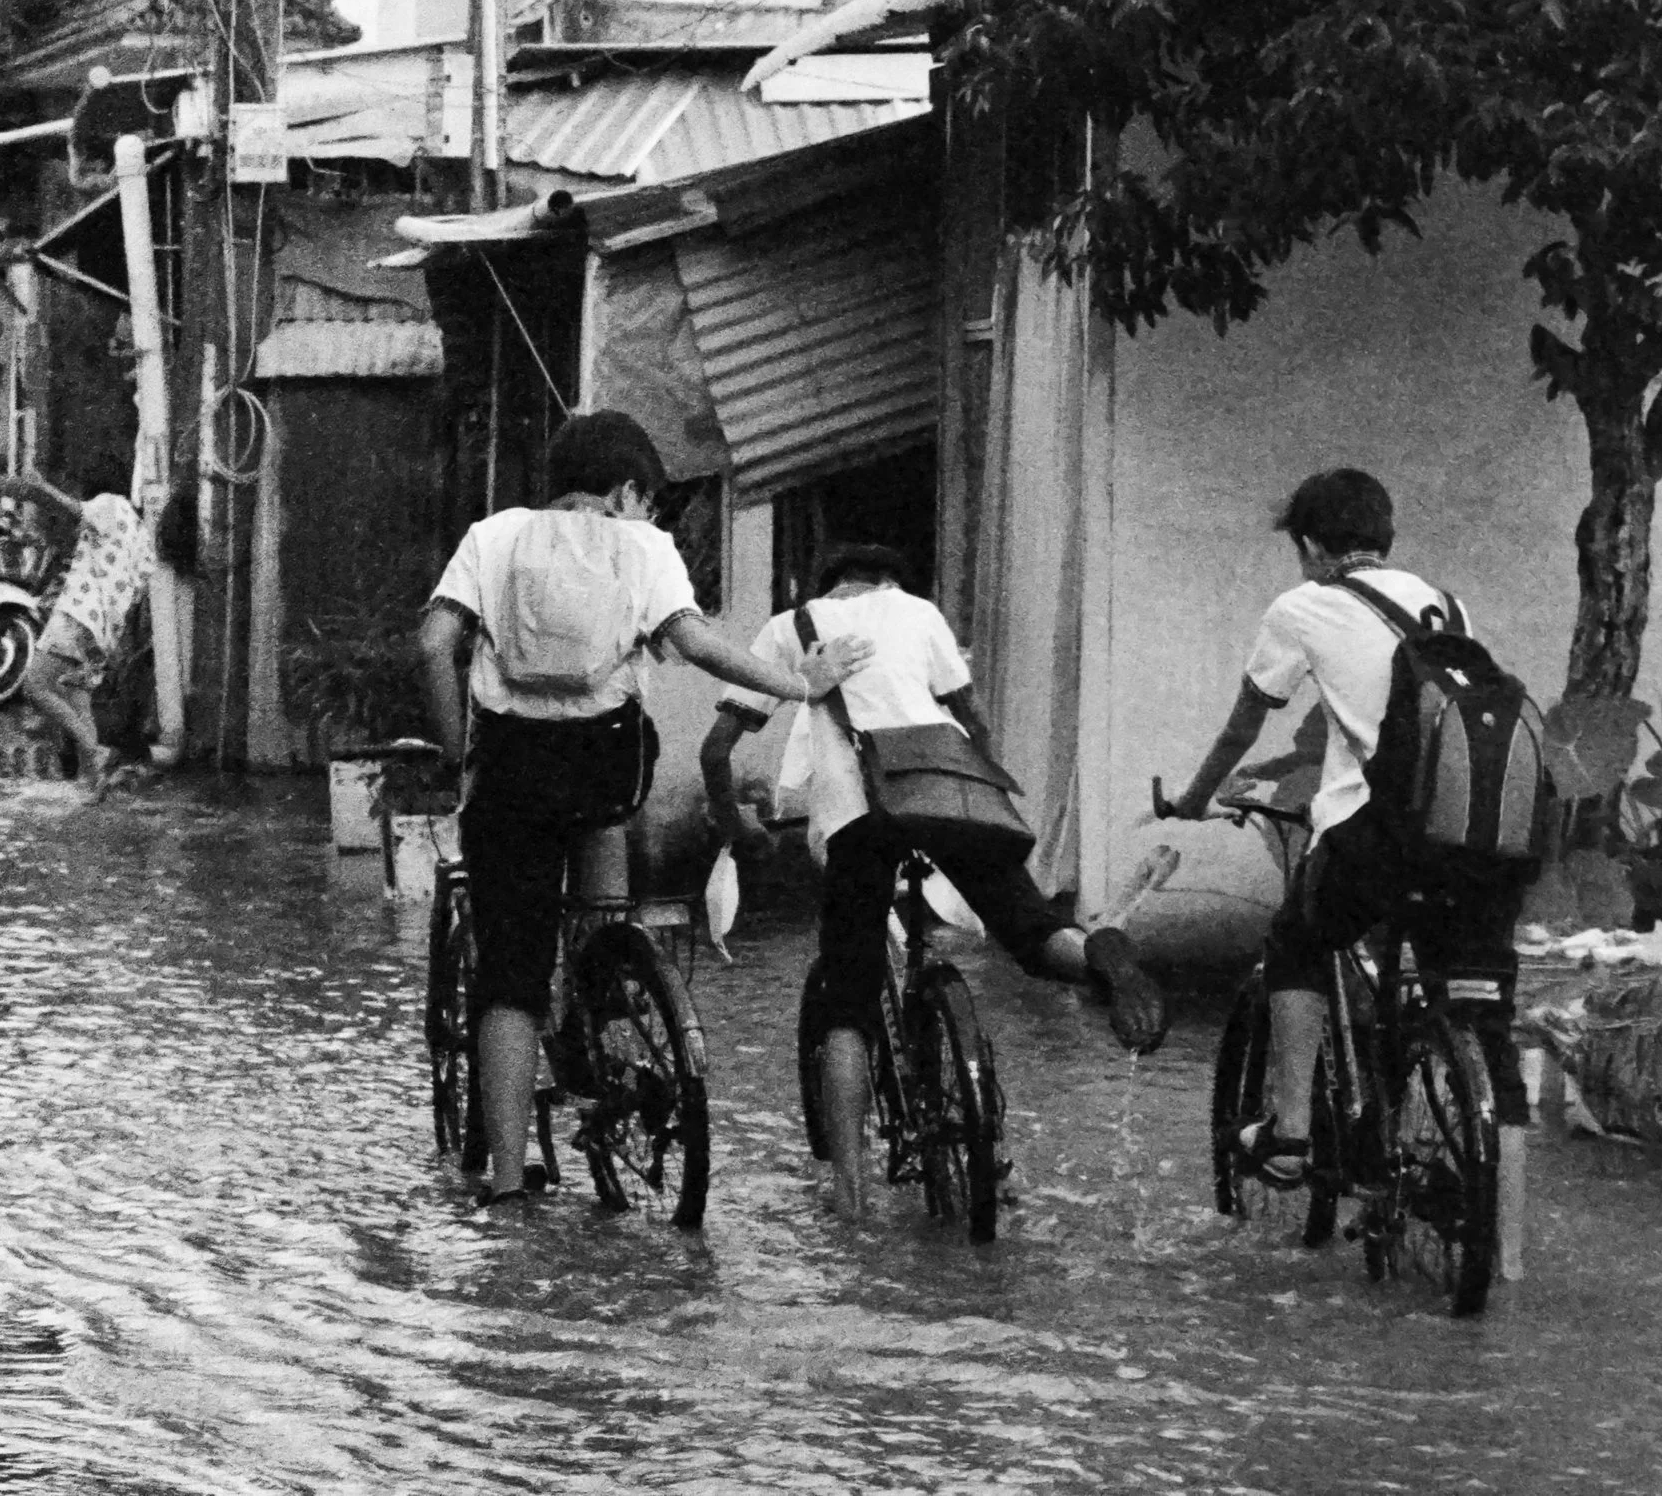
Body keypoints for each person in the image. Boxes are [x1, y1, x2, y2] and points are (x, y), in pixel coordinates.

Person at [419, 409, 869, 1213]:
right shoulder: (645, 547)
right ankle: (611, 974)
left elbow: (430, 646)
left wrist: (461, 757)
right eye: (650, 500)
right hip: (606, 769)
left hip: (511, 773)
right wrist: (801, 683)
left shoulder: (491, 536)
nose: (651, 515)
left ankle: (511, 1183)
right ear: (627, 490)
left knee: (512, 975)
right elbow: (694, 643)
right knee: (603, 867)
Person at [700, 538, 1169, 1222]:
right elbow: (972, 718)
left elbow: (716, 750)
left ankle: (852, 1200)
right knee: (1031, 931)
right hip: (953, 796)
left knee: (848, 997)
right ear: (892, 580)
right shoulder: (920, 614)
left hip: (861, 813)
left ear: (831, 585)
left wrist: (737, 826)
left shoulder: (790, 629)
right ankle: (1097, 954)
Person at [1155, 465, 1527, 1281]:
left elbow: (1246, 722)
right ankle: (1508, 1255)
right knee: (1476, 1019)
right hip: (1477, 843)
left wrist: (1192, 799)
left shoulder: (1304, 606)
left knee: (1295, 939)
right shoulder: (1445, 604)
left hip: (1380, 835)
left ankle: (1289, 1133)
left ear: (1314, 546)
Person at [0, 466, 154, 790]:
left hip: (79, 616)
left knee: (36, 686)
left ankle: (96, 754)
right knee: (77, 699)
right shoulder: (137, 527)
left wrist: (41, 488)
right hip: (104, 629)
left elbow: (71, 507)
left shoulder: (109, 504)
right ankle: (94, 784)